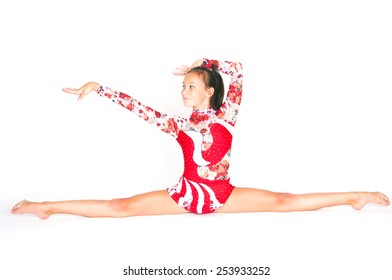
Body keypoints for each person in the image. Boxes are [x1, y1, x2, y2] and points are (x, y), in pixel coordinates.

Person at [11, 58, 390, 219]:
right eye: (183, 86)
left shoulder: (228, 114)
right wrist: (100, 88)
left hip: (224, 195)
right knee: (121, 207)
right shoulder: (179, 125)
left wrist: (204, 62)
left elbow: (237, 71)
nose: (184, 91)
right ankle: (44, 206)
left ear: (209, 91)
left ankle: (356, 197)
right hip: (186, 195)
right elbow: (137, 107)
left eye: (191, 85)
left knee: (284, 201)